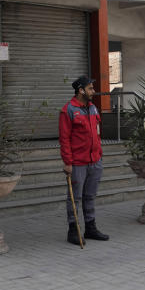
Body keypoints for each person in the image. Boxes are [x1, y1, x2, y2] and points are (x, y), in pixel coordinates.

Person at [59, 75, 108, 244]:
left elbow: (97, 133)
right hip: (78, 163)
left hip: (95, 161)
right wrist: (68, 162)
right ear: (80, 90)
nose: (93, 91)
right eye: (90, 88)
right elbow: (64, 139)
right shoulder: (68, 110)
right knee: (75, 197)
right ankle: (73, 231)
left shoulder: (93, 108)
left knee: (90, 196)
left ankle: (90, 228)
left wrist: (99, 154)